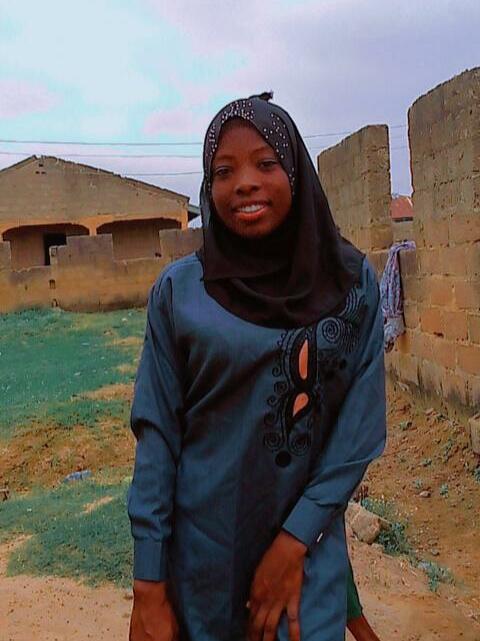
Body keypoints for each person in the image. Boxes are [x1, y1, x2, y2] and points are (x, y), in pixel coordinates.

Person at [128, 93, 386, 641]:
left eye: (265, 163)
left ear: (295, 170)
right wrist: (149, 584)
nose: (244, 183)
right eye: (224, 171)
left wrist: (294, 542)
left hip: (306, 565)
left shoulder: (350, 286)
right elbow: (157, 436)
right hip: (202, 567)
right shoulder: (180, 293)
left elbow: (358, 431)